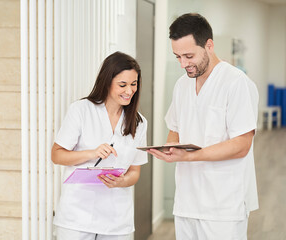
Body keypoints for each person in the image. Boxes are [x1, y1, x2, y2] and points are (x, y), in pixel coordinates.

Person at [147, 13, 259, 239]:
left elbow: (241, 145)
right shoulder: (181, 85)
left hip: (223, 206)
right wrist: (170, 148)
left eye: (189, 55)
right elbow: (175, 128)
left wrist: (187, 157)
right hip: (187, 202)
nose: (183, 63)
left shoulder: (236, 83)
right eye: (177, 57)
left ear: (209, 45)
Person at [52, 51, 148, 240]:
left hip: (117, 220)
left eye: (133, 84)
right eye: (122, 85)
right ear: (107, 82)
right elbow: (56, 155)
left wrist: (122, 181)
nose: (129, 91)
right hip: (76, 217)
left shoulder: (139, 123)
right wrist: (91, 153)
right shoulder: (81, 110)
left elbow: (135, 171)